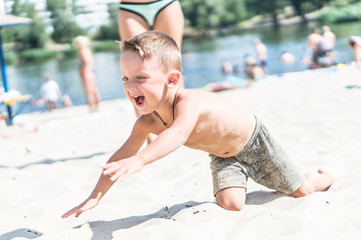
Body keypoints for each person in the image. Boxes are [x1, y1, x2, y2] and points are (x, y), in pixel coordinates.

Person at [62, 31, 338, 217]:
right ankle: (240, 176)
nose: (130, 86)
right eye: (125, 79)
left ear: (172, 80)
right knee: (231, 206)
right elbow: (120, 157)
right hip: (223, 156)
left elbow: (178, 134)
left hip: (255, 141)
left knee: (299, 191)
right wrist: (96, 196)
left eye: (140, 78)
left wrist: (141, 160)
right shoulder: (145, 123)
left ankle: (324, 176)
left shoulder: (187, 103)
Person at [118, 0, 185, 144]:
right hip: (131, 7)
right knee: (135, 66)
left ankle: (182, 123)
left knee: (173, 63)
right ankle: (149, 135)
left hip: (165, 3)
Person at [74, 36, 101, 113]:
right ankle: (96, 107)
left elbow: (85, 63)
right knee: (94, 90)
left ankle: (92, 108)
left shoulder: (83, 52)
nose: (76, 45)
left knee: (89, 91)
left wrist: (80, 70)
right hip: (91, 71)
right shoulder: (88, 50)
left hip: (86, 72)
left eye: (77, 43)